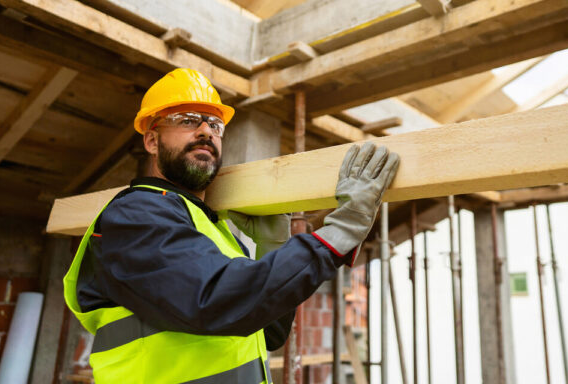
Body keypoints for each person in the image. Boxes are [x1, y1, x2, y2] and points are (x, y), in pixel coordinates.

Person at [62, 68, 400, 384]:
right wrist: (339, 233)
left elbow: (267, 332)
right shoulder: (136, 215)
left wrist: (273, 248)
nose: (206, 130)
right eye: (187, 120)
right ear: (152, 141)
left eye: (214, 124)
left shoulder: (209, 230)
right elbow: (216, 300)